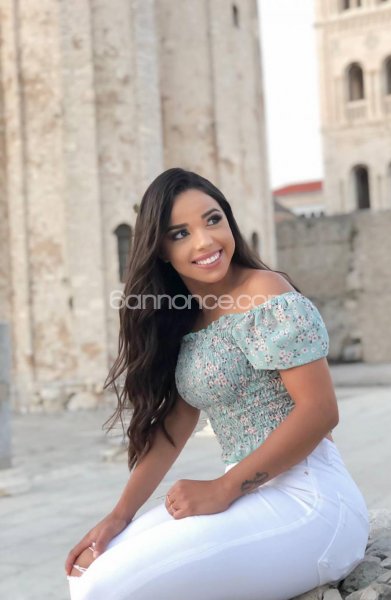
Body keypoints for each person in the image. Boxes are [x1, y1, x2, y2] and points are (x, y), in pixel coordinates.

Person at [65, 168, 369, 600]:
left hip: (311, 502)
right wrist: (119, 515)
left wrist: (222, 489)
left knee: (104, 586)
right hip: (251, 496)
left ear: (229, 221)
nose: (205, 242)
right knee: (86, 571)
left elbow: (320, 412)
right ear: (161, 249)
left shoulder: (265, 290)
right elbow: (174, 426)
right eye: (180, 233)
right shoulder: (186, 317)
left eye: (213, 220)